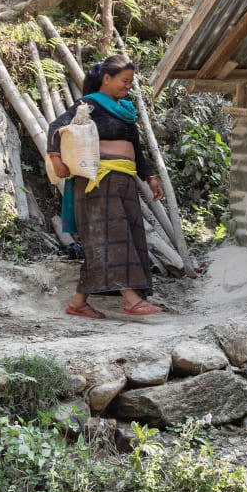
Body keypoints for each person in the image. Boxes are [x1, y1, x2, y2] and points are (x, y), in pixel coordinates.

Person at [47, 54, 164, 318]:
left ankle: (78, 303)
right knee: (114, 235)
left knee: (118, 236)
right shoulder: (89, 105)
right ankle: (130, 299)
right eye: (124, 80)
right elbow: (57, 127)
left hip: (123, 180)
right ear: (107, 79)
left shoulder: (125, 111)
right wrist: (56, 159)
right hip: (98, 181)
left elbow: (135, 148)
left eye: (131, 81)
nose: (128, 86)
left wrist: (150, 177)